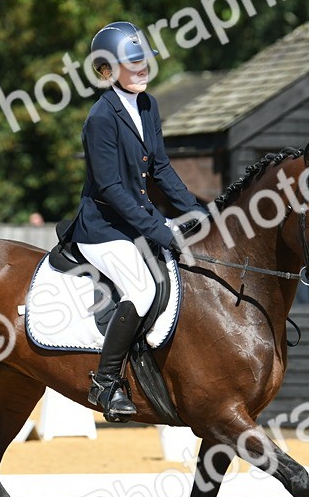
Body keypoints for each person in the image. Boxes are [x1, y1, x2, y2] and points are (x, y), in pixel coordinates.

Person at [69, 21, 208, 420]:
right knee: (142, 289)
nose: (144, 68)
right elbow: (111, 189)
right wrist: (159, 230)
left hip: (139, 221)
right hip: (104, 228)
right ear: (107, 70)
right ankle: (106, 382)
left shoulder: (148, 105)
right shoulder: (101, 118)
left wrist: (196, 209)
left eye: (145, 60)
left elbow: (161, 167)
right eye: (134, 63)